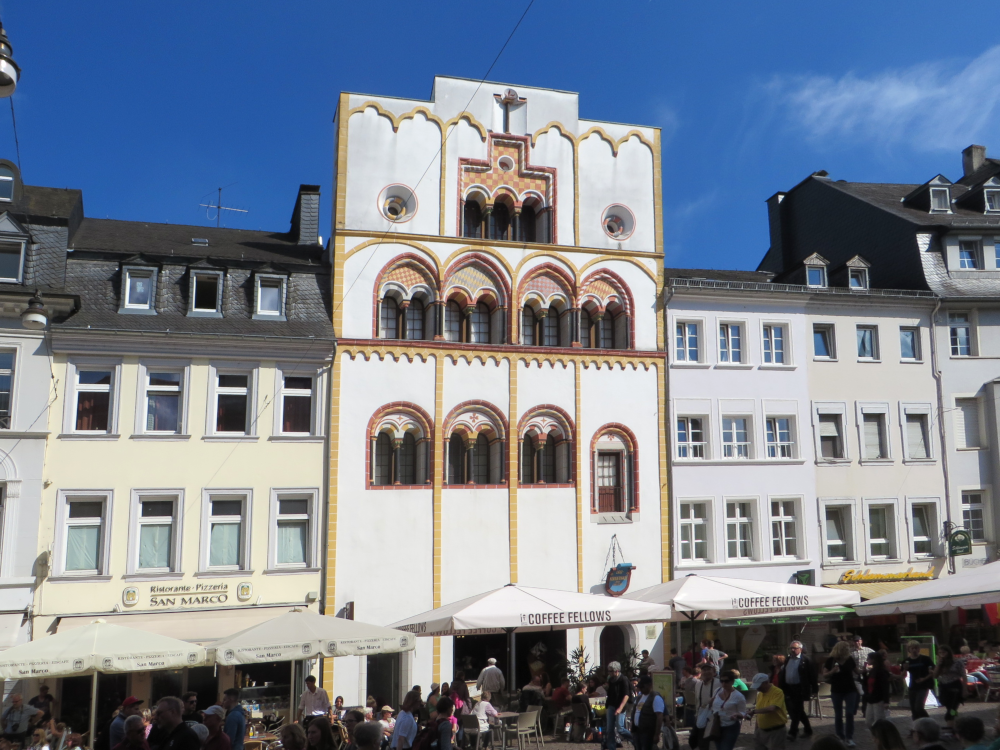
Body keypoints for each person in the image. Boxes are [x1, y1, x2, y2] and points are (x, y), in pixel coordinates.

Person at [777, 640, 816, 742]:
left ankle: (792, 732)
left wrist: (815, 689)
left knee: (797, 710)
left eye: (795, 648)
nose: (793, 650)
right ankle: (808, 729)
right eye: (791, 648)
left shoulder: (806, 660)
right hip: (788, 688)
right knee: (794, 710)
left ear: (801, 649)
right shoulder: (788, 659)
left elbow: (812, 676)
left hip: (800, 688)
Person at [822, 641, 858, 747]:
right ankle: (840, 736)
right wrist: (832, 671)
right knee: (838, 714)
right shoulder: (831, 660)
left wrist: (867, 668)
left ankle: (849, 737)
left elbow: (857, 671)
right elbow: (824, 675)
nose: (849, 649)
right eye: (847, 648)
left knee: (849, 713)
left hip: (850, 689)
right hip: (837, 690)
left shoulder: (849, 659)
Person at [748, 673, 786, 750]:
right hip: (761, 731)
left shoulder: (777, 692)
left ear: (766, 682)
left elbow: (772, 708)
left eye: (759, 686)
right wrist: (756, 730)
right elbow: (759, 714)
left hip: (775, 731)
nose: (757, 688)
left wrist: (754, 711)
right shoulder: (760, 694)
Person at [710, 670, 746, 750]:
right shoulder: (717, 691)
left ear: (732, 682)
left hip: (731, 726)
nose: (723, 684)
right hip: (717, 725)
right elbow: (713, 704)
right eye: (721, 681)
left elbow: (743, 712)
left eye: (726, 681)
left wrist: (737, 715)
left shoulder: (738, 696)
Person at [900, 641, 935, 721]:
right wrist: (905, 669)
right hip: (913, 685)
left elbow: (932, 672)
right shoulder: (906, 661)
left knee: (919, 707)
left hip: (924, 685)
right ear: (909, 650)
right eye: (912, 648)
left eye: (916, 648)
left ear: (919, 649)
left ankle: (929, 722)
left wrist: (924, 678)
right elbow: (903, 675)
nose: (914, 650)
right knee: (913, 709)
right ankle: (916, 726)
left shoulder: (925, 659)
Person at [935, 645, 966, 734]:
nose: (942, 655)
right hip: (944, 686)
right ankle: (954, 722)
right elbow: (935, 675)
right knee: (947, 704)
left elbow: (963, 675)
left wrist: (965, 689)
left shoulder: (957, 662)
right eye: (940, 653)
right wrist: (939, 664)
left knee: (952, 708)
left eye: (944, 652)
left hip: (954, 686)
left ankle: (950, 724)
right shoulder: (940, 662)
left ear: (948, 653)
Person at [690, 664, 721, 750]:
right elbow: (697, 701)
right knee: (701, 741)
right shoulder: (698, 684)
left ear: (713, 672)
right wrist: (696, 714)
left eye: (709, 669)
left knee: (716, 740)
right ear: (701, 672)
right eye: (704, 670)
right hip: (702, 715)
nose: (706, 672)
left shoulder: (719, 683)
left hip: (715, 717)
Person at [629, 675, 664, 750]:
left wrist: (657, 734)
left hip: (648, 732)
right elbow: (635, 712)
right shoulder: (639, 697)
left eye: (643, 687)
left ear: (649, 685)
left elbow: (659, 716)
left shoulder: (655, 698)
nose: (641, 689)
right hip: (637, 730)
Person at [604, 661, 633, 750]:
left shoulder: (623, 679)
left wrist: (620, 708)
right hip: (611, 705)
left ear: (616, 671)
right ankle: (612, 747)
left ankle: (635, 739)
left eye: (610, 671)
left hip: (621, 706)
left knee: (620, 728)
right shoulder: (611, 680)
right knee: (610, 729)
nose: (609, 673)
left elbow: (626, 695)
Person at [863, 651, 890, 727]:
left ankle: (880, 737)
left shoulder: (881, 671)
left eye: (869, 659)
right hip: (870, 698)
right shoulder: (872, 671)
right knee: (868, 721)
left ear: (874, 660)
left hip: (878, 698)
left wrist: (886, 701)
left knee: (879, 721)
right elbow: (866, 684)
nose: (867, 660)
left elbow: (885, 686)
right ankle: (875, 735)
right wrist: (864, 673)